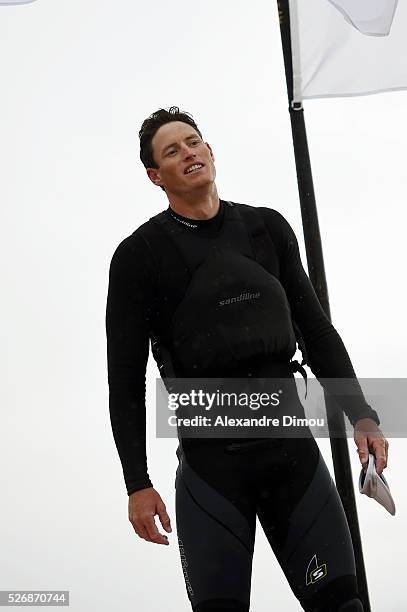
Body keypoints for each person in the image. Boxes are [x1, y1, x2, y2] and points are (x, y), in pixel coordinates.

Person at [105, 106, 389, 612]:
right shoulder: (138, 256)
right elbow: (124, 379)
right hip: (213, 470)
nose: (189, 152)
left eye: (194, 141)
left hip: (293, 458)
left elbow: (317, 332)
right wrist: (137, 482)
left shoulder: (266, 230)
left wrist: (361, 413)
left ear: (209, 151)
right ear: (155, 176)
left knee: (345, 605)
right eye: (172, 151)